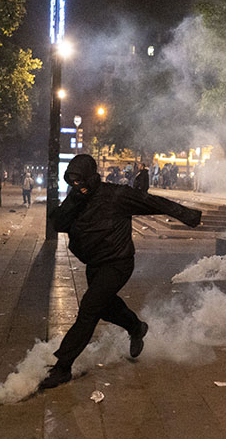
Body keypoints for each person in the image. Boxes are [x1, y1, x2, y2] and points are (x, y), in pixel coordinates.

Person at [40, 154, 202, 390]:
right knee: (105, 308)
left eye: (79, 180)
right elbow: (59, 224)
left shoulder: (116, 195)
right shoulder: (75, 198)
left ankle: (62, 367)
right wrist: (74, 201)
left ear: (90, 177)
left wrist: (189, 216)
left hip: (118, 263)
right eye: (71, 181)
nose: (76, 185)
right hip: (94, 264)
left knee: (89, 310)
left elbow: (153, 203)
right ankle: (136, 327)